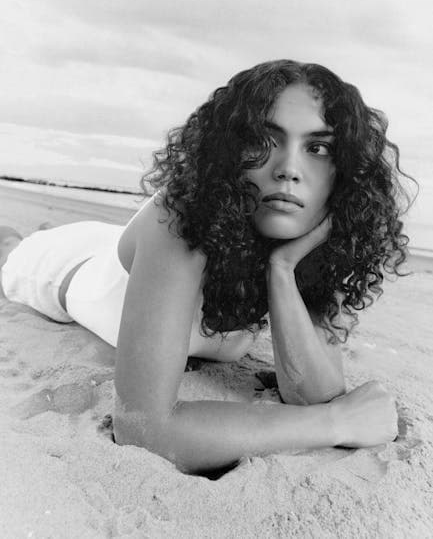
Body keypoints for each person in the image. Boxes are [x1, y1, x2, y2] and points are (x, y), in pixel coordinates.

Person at [0, 60, 413, 475]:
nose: (289, 169)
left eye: (318, 148)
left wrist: (282, 270)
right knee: (12, 251)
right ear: (231, 149)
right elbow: (144, 430)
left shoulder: (309, 246)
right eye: (265, 139)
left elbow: (314, 392)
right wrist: (337, 422)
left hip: (127, 249)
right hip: (66, 268)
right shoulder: (181, 218)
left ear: (345, 171)